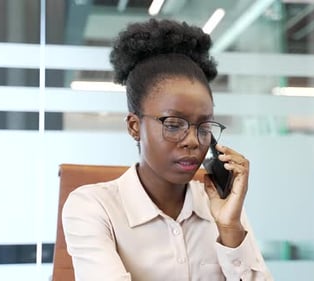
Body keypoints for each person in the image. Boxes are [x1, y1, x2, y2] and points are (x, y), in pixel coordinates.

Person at [62, 18, 274, 281]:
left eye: (204, 126)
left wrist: (230, 228)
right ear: (134, 126)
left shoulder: (221, 205)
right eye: (173, 124)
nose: (193, 141)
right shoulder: (93, 207)